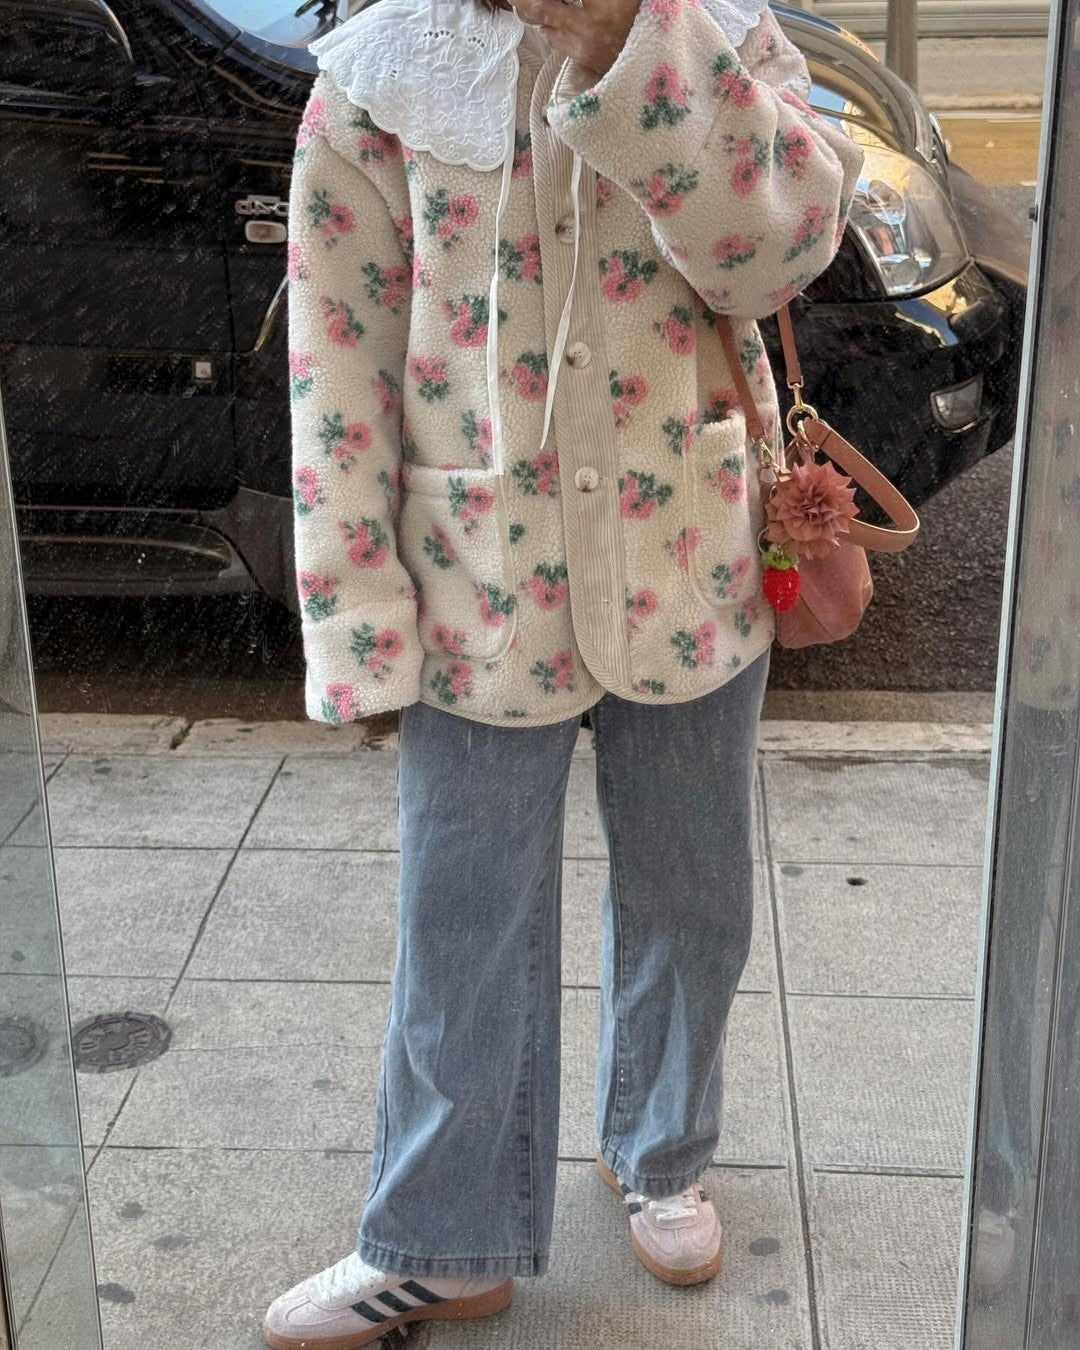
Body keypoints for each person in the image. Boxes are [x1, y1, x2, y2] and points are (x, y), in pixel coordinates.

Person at [266, 0, 863, 1344]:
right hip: (475, 574)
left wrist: (626, 48)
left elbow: (785, 250)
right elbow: (338, 365)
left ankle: (662, 1148)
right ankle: (443, 1235)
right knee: (460, 916)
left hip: (689, 551)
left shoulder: (715, 28)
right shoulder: (386, 69)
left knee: (691, 892)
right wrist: (358, 618)